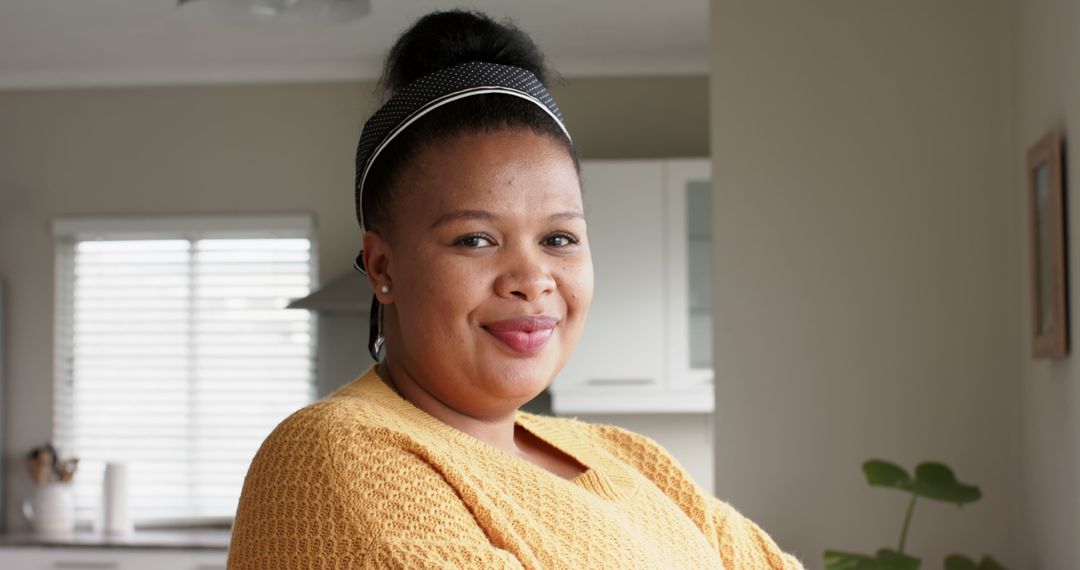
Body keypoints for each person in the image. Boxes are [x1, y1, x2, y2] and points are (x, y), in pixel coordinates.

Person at [227, 9, 803, 569]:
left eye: (559, 238)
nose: (532, 280)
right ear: (382, 267)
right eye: (475, 239)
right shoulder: (336, 454)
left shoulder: (630, 458)